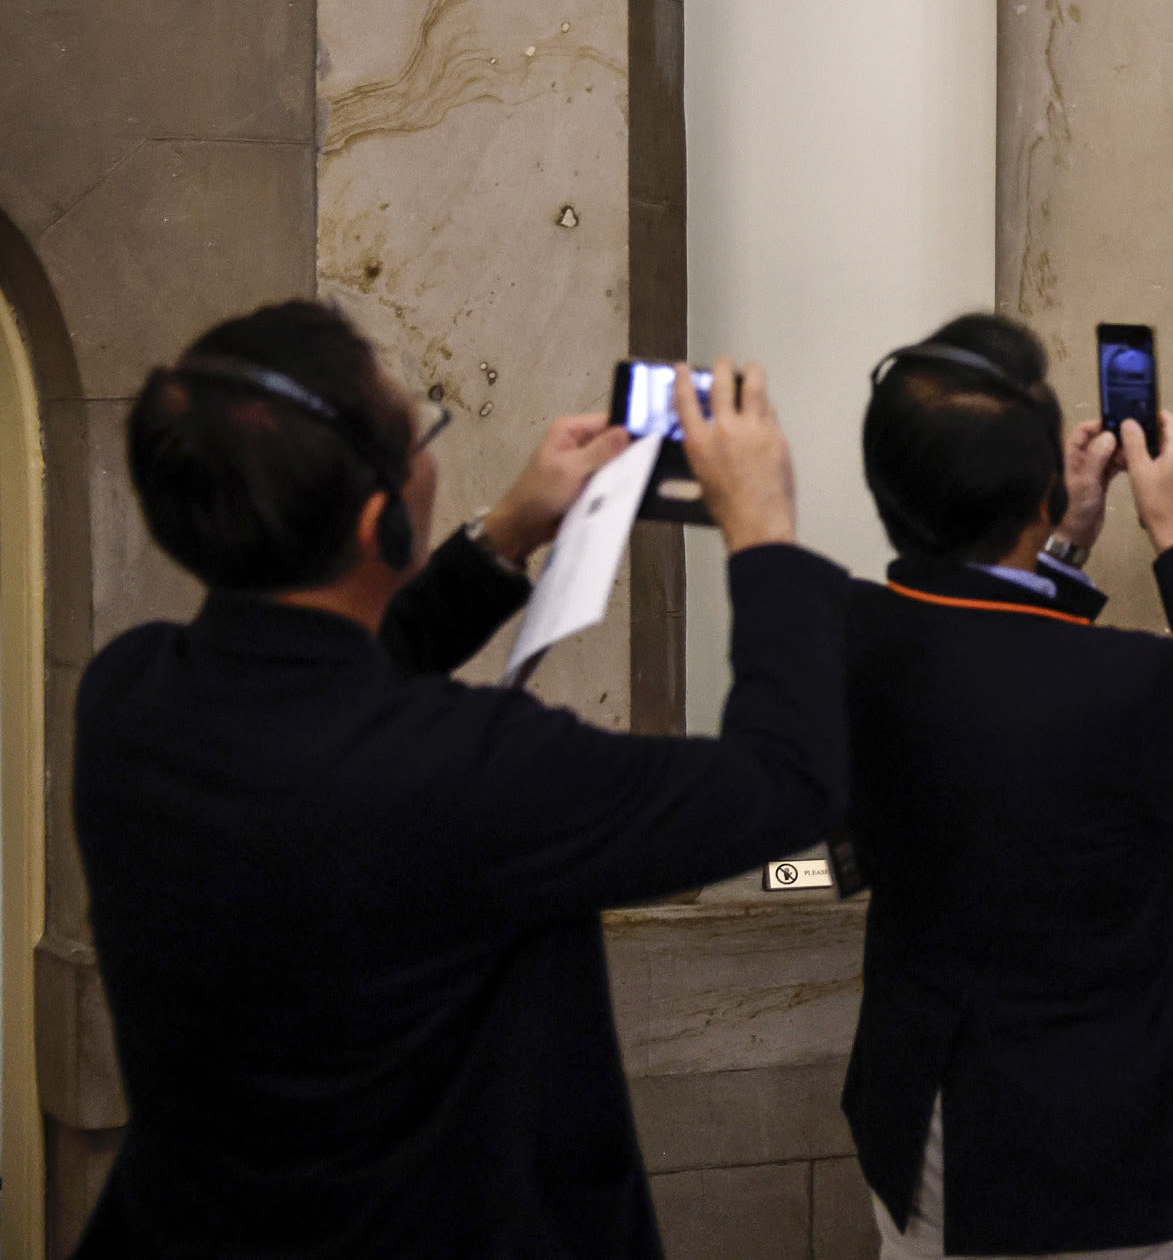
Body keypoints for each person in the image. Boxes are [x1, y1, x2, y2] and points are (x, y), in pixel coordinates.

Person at [71, 299, 849, 1257]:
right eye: (424, 436)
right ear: (376, 516)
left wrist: (504, 536)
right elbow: (787, 779)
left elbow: (323, 665)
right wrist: (763, 530)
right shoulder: (472, 771)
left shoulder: (130, 695)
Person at [839, 314, 1173, 1259]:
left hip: (932, 1124)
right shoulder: (1127, 684)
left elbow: (990, 646)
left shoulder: (846, 649)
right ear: (1044, 488)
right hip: (1114, 1148)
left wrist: (1058, 551)